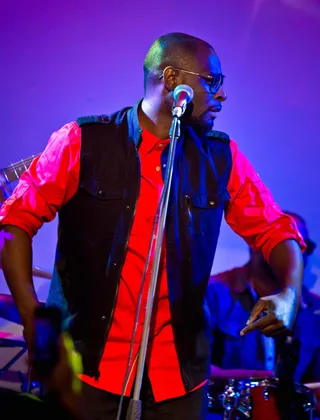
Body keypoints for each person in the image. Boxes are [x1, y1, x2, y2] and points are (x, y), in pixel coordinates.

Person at [0, 32, 306, 420]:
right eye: (212, 81)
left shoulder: (221, 157)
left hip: (178, 383)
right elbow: (13, 223)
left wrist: (290, 294)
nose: (223, 95)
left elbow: (276, 231)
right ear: (173, 80)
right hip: (83, 376)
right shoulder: (81, 141)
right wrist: (33, 324)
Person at [206, 211, 319, 418]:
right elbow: (192, 372)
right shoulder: (213, 293)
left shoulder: (315, 310)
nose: (298, 255)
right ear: (255, 246)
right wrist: (260, 380)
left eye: (304, 247)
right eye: (289, 246)